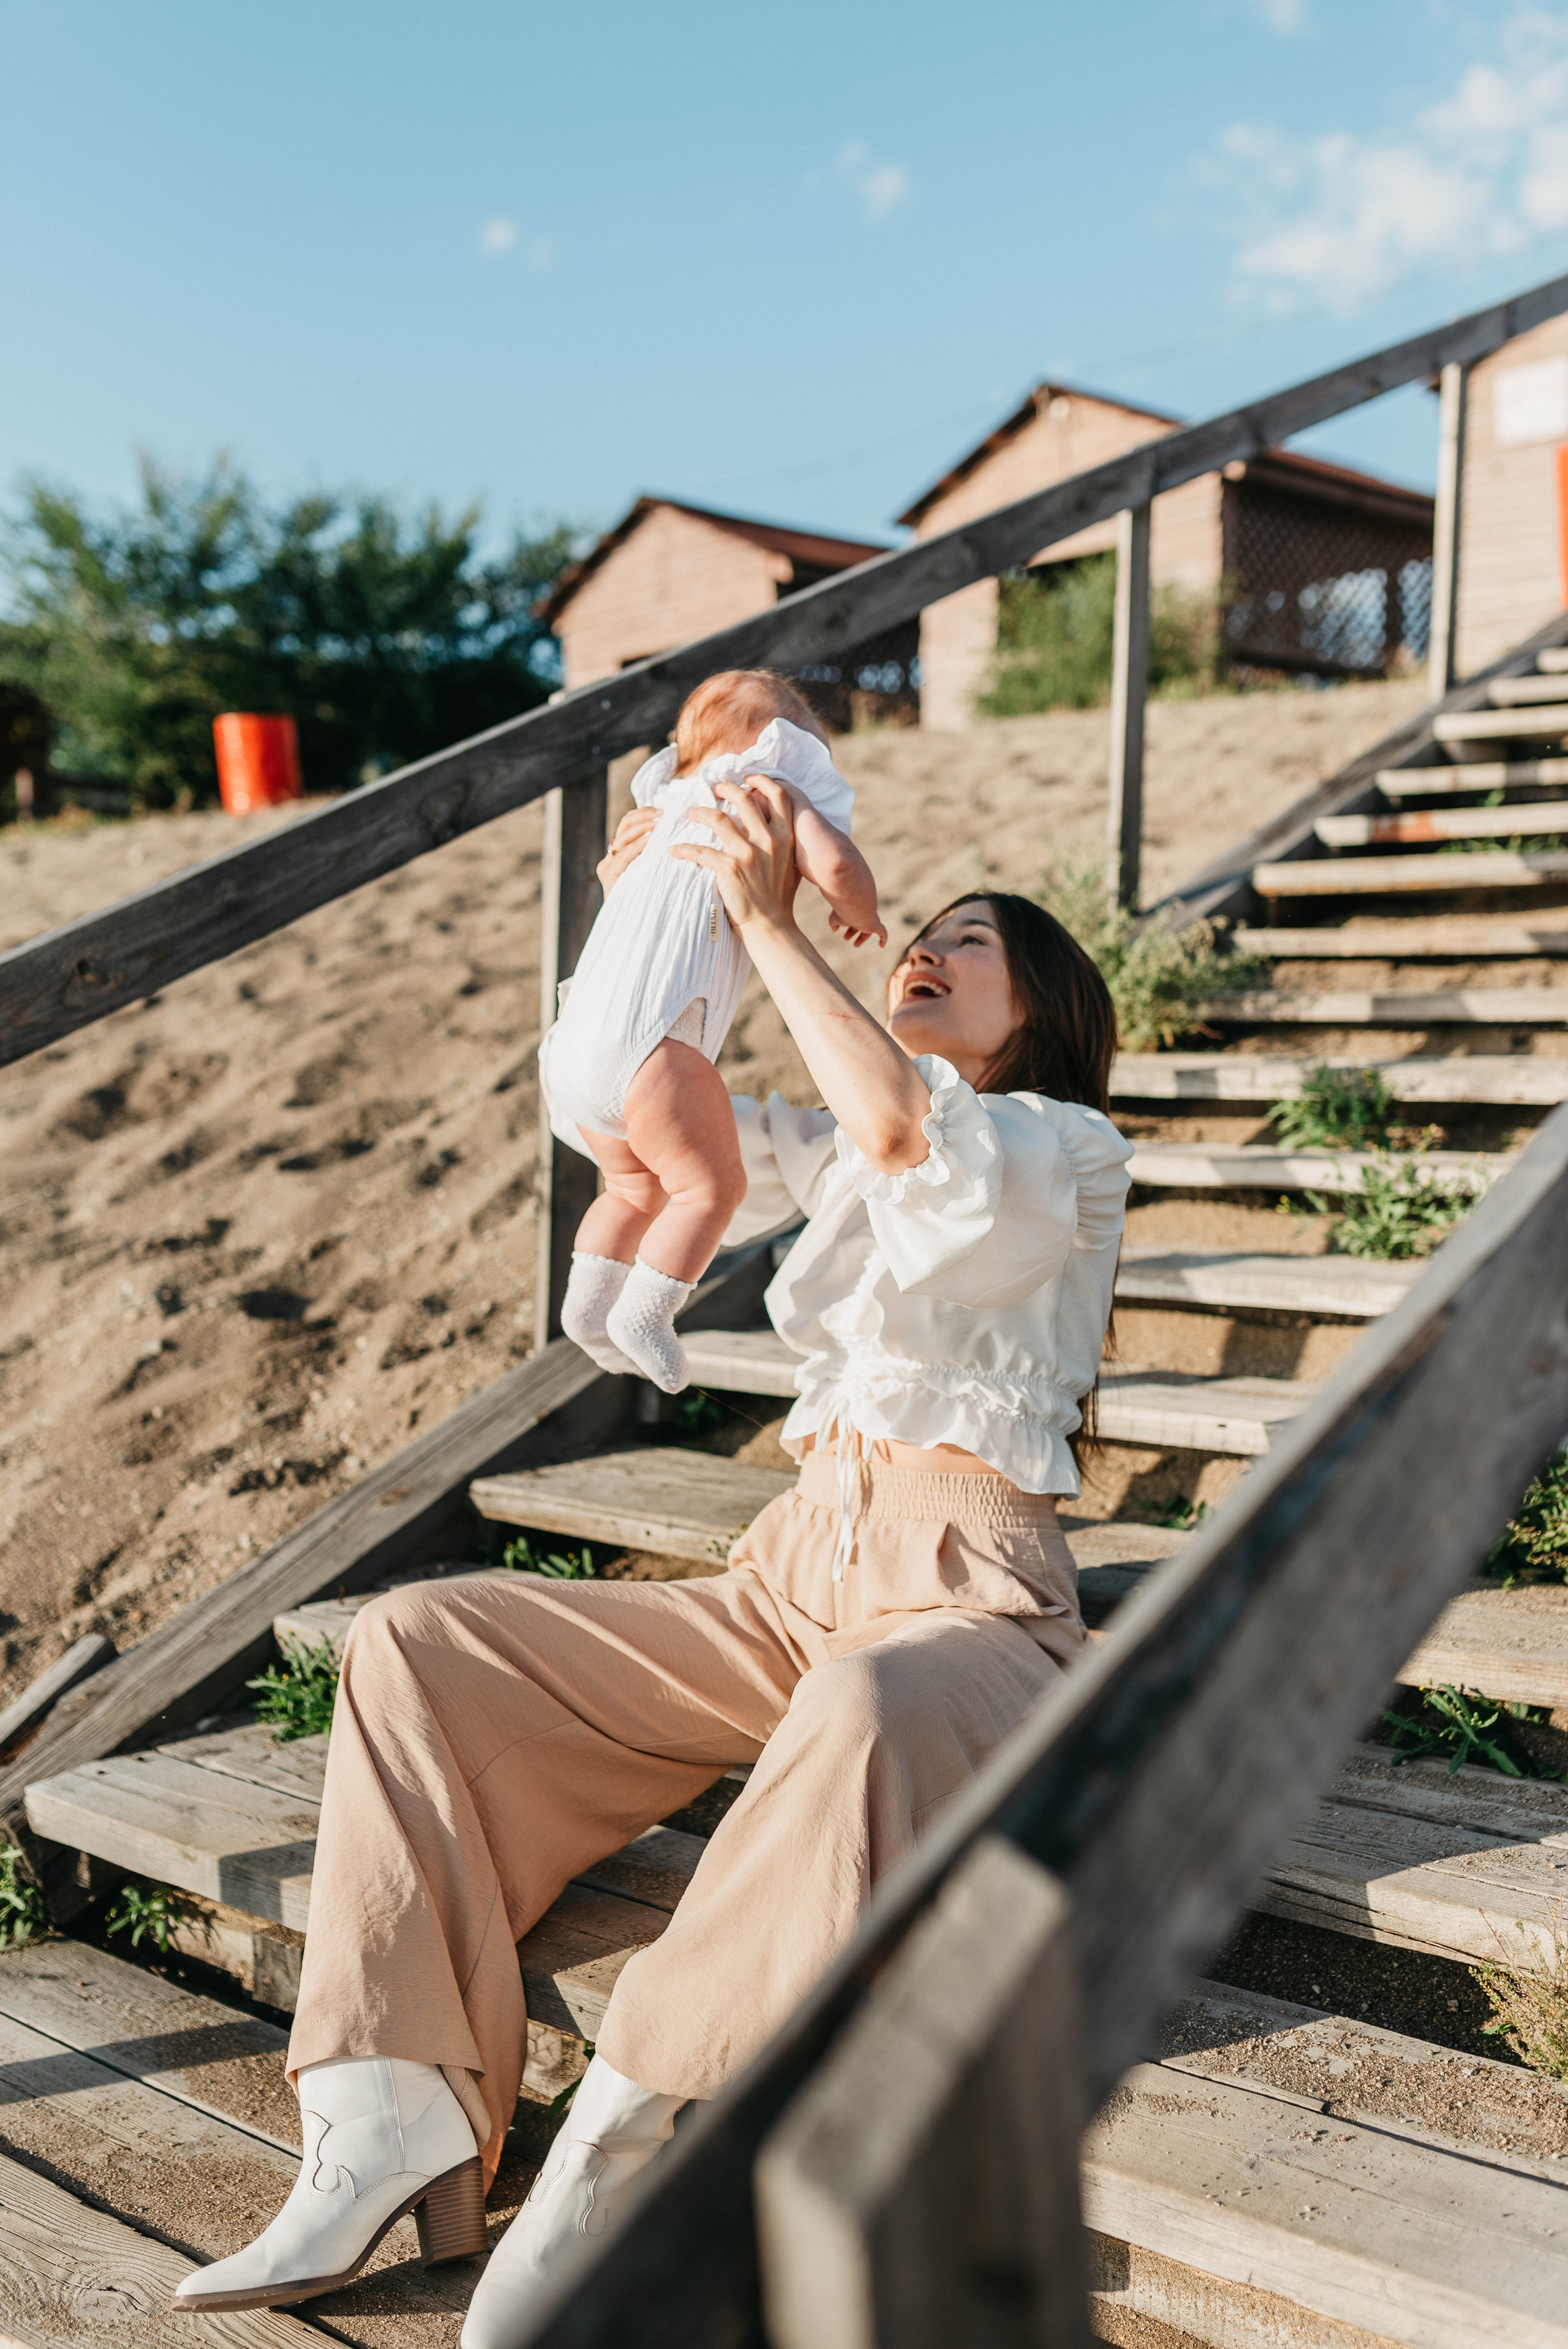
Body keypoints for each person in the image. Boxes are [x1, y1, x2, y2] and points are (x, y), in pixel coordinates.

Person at [173, 773, 1129, 2349]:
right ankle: (384, 2107)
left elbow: (905, 1135)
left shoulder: (1058, 1146)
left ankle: (616, 2143)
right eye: (925, 933)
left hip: (966, 1593)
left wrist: (766, 912)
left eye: (973, 940)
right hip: (788, 1568)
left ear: (1042, 1002)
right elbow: (661, 1114)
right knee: (416, 1636)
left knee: (866, 1709)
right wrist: (662, 918)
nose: (930, 948)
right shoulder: (849, 1144)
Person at [540, 668, 884, 1393]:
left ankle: (586, 1308)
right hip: (653, 1049)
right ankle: (646, 1315)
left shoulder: (654, 813)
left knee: (630, 1191)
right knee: (708, 1191)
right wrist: (860, 910)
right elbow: (837, 863)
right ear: (777, 746)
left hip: (569, 1047)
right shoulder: (764, 793)